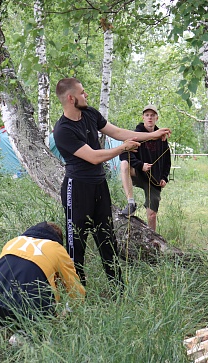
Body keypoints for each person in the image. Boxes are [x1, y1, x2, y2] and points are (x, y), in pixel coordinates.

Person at [52, 78, 171, 287]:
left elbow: (117, 132)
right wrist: (122, 149)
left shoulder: (90, 113)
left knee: (107, 239)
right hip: (77, 189)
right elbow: (94, 157)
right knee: (76, 244)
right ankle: (77, 294)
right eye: (82, 92)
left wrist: (152, 136)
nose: (86, 95)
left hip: (99, 186)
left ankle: (118, 290)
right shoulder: (62, 130)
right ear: (71, 98)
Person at [0, 222, 85, 326]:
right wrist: (68, 313)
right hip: (32, 315)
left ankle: (6, 325)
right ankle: (25, 333)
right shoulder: (57, 248)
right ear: (57, 239)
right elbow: (75, 289)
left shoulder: (13, 242)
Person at [119, 105, 171, 232]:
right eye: (147, 115)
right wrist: (140, 165)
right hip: (137, 173)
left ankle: (152, 240)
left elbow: (167, 160)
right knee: (124, 164)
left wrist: (164, 177)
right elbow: (124, 154)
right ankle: (131, 202)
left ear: (156, 118)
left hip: (153, 179)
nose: (150, 118)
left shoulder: (162, 138)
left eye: (152, 115)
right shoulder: (136, 135)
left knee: (152, 215)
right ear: (143, 117)